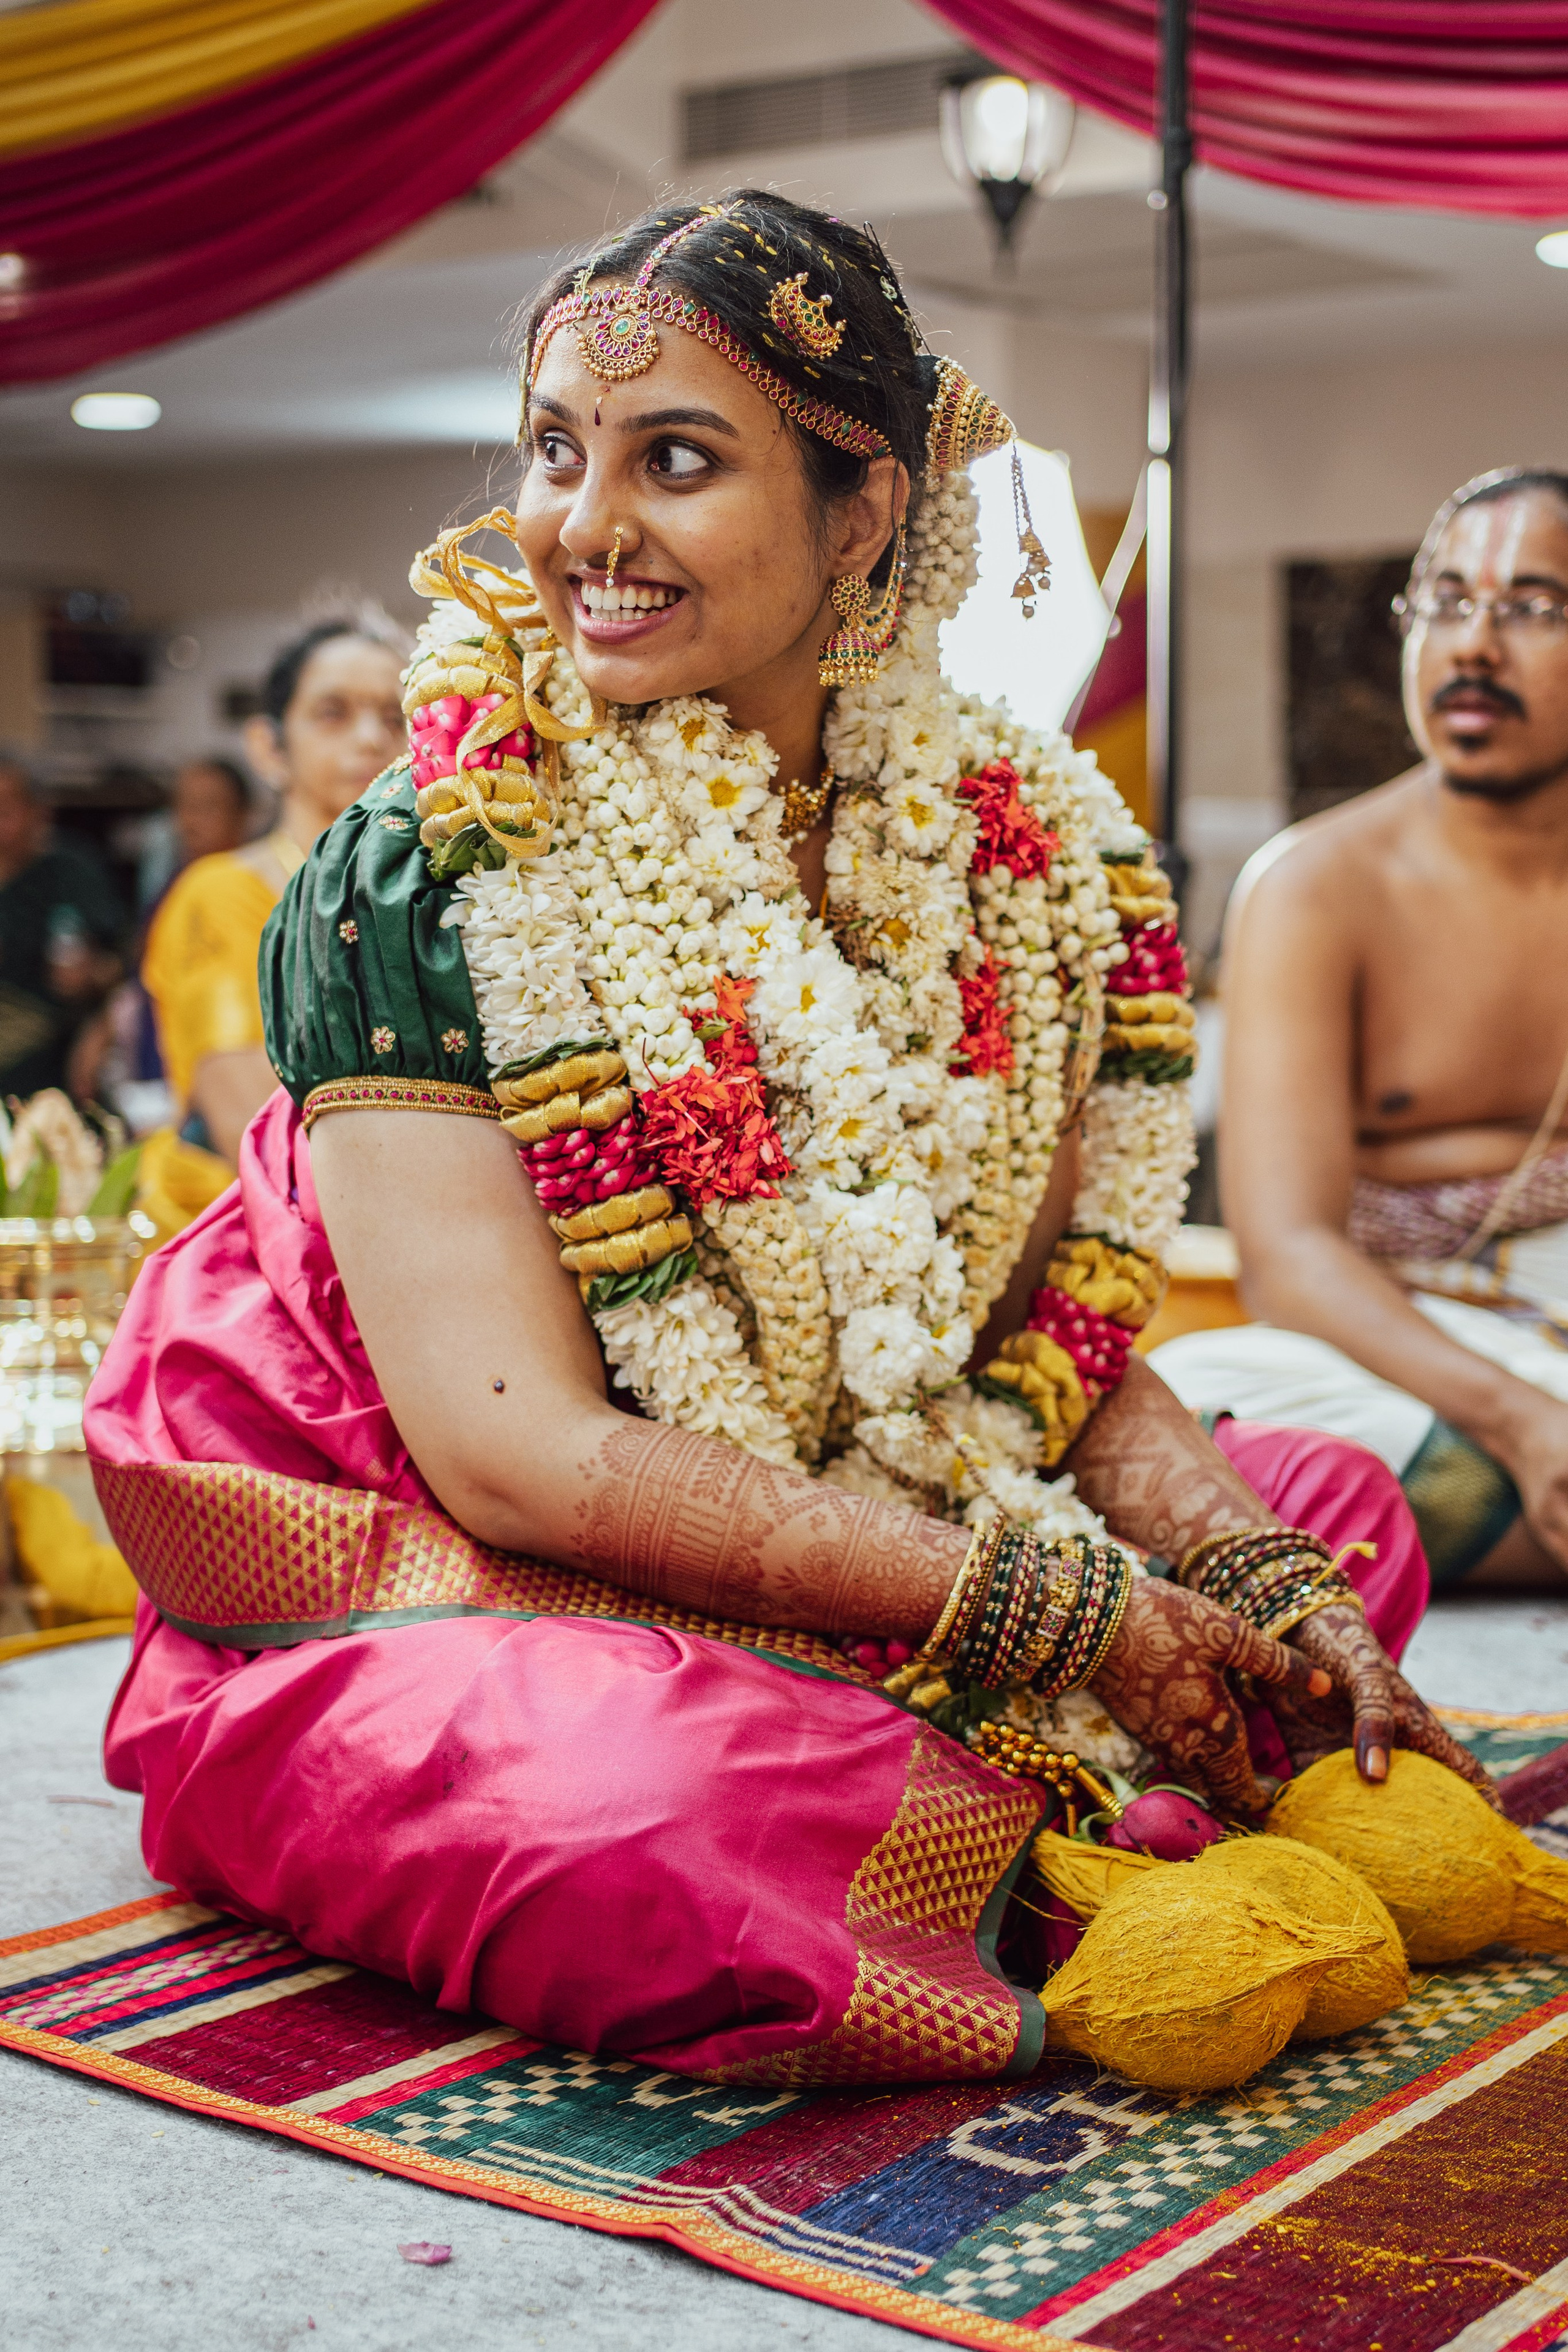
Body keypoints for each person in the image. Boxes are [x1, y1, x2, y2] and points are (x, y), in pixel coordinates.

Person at [86, 196, 1484, 2089]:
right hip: (438, 1534)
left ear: (866, 513)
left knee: (1327, 1518)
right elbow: (519, 1457)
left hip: (857, 1473)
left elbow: (1030, 1351)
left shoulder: (1028, 863)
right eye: (558, 451)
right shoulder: (432, 859)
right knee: (652, 1795)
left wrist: (1254, 1583)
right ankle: (1040, 1842)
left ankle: (1069, 1761)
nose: (581, 526)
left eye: (674, 459)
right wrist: (1042, 1598)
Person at [1153, 467, 1568, 1595]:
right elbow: (1287, 1255)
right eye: (1442, 600)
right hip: (1390, 1339)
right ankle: (1513, 1502)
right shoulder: (1312, 887)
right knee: (1184, 1408)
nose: (1474, 644)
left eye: (1531, 607)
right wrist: (1524, 1422)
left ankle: (1435, 1537)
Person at [141, 622, 405, 1161]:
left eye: (395, 718)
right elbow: (253, 1127)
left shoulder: (428, 897)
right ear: (269, 747)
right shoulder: (222, 896)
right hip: (260, 1230)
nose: (371, 739)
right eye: (333, 712)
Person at [0, 756, 126, 1100]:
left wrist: (93, 976)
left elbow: (126, 973)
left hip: (53, 1074)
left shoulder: (70, 873)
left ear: (39, 812)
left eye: (9, 806)